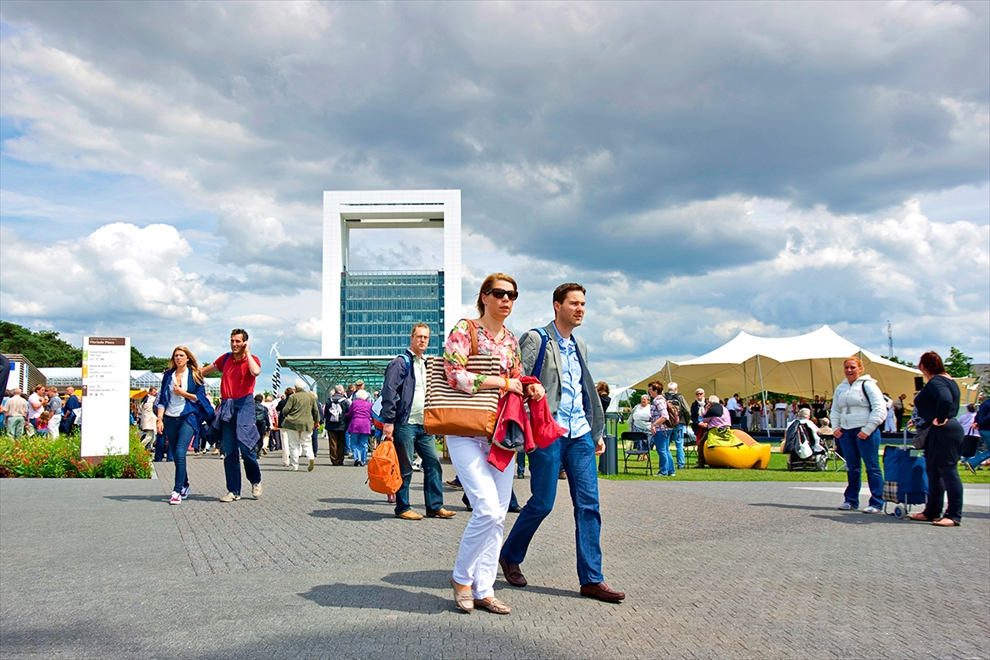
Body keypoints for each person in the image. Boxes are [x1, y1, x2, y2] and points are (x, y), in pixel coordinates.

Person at [500, 281, 624, 605]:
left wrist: (596, 433)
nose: (580, 309)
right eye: (574, 303)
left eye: (583, 304)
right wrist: (531, 389)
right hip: (549, 431)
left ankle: (592, 579)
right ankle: (510, 554)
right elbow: (517, 378)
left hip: (580, 432)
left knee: (589, 505)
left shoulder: (580, 345)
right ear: (557, 305)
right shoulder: (537, 338)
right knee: (543, 503)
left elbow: (583, 390)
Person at [446, 273, 531, 615]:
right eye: (498, 293)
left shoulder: (511, 339)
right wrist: (502, 381)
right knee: (485, 508)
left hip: (501, 435)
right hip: (466, 430)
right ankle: (461, 579)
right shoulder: (465, 329)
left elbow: (519, 379)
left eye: (512, 294)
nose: (506, 300)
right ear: (484, 296)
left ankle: (484, 588)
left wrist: (528, 386)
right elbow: (455, 375)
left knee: (498, 516)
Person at [380, 323, 455, 521]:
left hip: (425, 424)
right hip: (405, 423)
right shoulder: (401, 362)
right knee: (405, 468)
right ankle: (402, 507)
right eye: (419, 336)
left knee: (433, 464)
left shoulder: (426, 363)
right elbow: (389, 391)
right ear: (412, 338)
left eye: (426, 337)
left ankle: (434, 506)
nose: (423, 340)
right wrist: (389, 421)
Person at [200, 329, 263, 503]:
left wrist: (247, 352)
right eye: (232, 341)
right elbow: (204, 371)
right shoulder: (225, 358)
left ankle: (255, 480)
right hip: (227, 405)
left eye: (238, 341)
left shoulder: (252, 359)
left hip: (244, 404)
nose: (234, 344)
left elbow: (256, 372)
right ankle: (233, 490)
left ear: (244, 342)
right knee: (229, 451)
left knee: (246, 446)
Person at [908, 352, 965, 526]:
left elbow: (945, 399)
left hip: (943, 431)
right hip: (941, 431)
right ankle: (932, 511)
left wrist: (941, 417)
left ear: (923, 366)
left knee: (948, 472)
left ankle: (954, 515)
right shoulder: (948, 379)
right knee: (934, 472)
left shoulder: (936, 381)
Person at [829, 356, 887, 513]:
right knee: (852, 467)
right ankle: (851, 500)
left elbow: (880, 408)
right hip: (846, 431)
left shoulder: (868, 385)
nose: (849, 370)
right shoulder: (841, 388)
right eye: (846, 367)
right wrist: (836, 427)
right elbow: (835, 409)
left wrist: (868, 429)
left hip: (864, 431)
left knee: (872, 466)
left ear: (860, 369)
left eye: (853, 367)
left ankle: (876, 502)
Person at [156, 346, 211, 505]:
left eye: (181, 355)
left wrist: (183, 393)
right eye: (176, 356)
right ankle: (185, 484)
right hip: (170, 417)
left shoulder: (195, 375)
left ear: (188, 358)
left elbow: (200, 397)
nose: (178, 358)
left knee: (180, 452)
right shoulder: (168, 375)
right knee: (174, 454)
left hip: (188, 415)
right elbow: (162, 400)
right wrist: (159, 419)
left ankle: (177, 490)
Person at [280, 379, 321, 472]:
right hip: (307, 423)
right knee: (306, 442)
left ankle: (295, 465)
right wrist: (316, 421)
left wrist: (286, 414)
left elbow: (286, 410)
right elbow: (315, 411)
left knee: (293, 444)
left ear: (295, 387)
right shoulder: (310, 397)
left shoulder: (293, 397)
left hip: (292, 423)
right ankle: (310, 457)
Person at [648, 381, 673, 477]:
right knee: (666, 450)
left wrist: (654, 424)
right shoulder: (662, 400)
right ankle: (671, 470)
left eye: (650, 389)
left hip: (661, 429)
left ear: (655, 390)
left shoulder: (658, 401)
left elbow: (664, 416)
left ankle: (663, 471)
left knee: (662, 450)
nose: (649, 392)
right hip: (666, 429)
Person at [665, 382, 691, 470]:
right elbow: (687, 410)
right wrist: (687, 421)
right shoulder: (680, 397)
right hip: (679, 423)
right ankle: (681, 465)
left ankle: (667, 464)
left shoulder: (664, 398)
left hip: (667, 424)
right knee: (679, 444)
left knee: (666, 445)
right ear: (676, 389)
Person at [324, 385, 350, 465]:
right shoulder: (345, 401)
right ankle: (340, 459)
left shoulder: (329, 400)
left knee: (332, 442)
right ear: (342, 392)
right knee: (341, 442)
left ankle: (334, 460)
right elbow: (348, 412)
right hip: (342, 425)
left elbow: (326, 412)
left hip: (331, 425)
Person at [345, 389, 372, 467]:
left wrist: (346, 416)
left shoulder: (354, 403)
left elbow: (349, 414)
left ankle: (357, 458)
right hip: (366, 425)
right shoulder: (369, 404)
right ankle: (363, 461)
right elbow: (372, 414)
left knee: (354, 442)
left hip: (355, 424)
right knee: (364, 443)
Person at [963, 397, 990, 473]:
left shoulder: (985, 402)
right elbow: (988, 418)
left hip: (982, 429)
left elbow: (978, 414)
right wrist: (980, 424)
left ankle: (973, 462)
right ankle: (973, 462)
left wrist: (976, 423)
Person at [690, 389, 707, 466]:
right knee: (699, 442)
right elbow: (693, 416)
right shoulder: (694, 404)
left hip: (707, 425)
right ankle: (700, 460)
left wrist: (706, 423)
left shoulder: (708, 403)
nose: (699, 395)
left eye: (700, 394)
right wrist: (698, 423)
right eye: (697, 394)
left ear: (704, 394)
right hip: (698, 426)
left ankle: (706, 459)